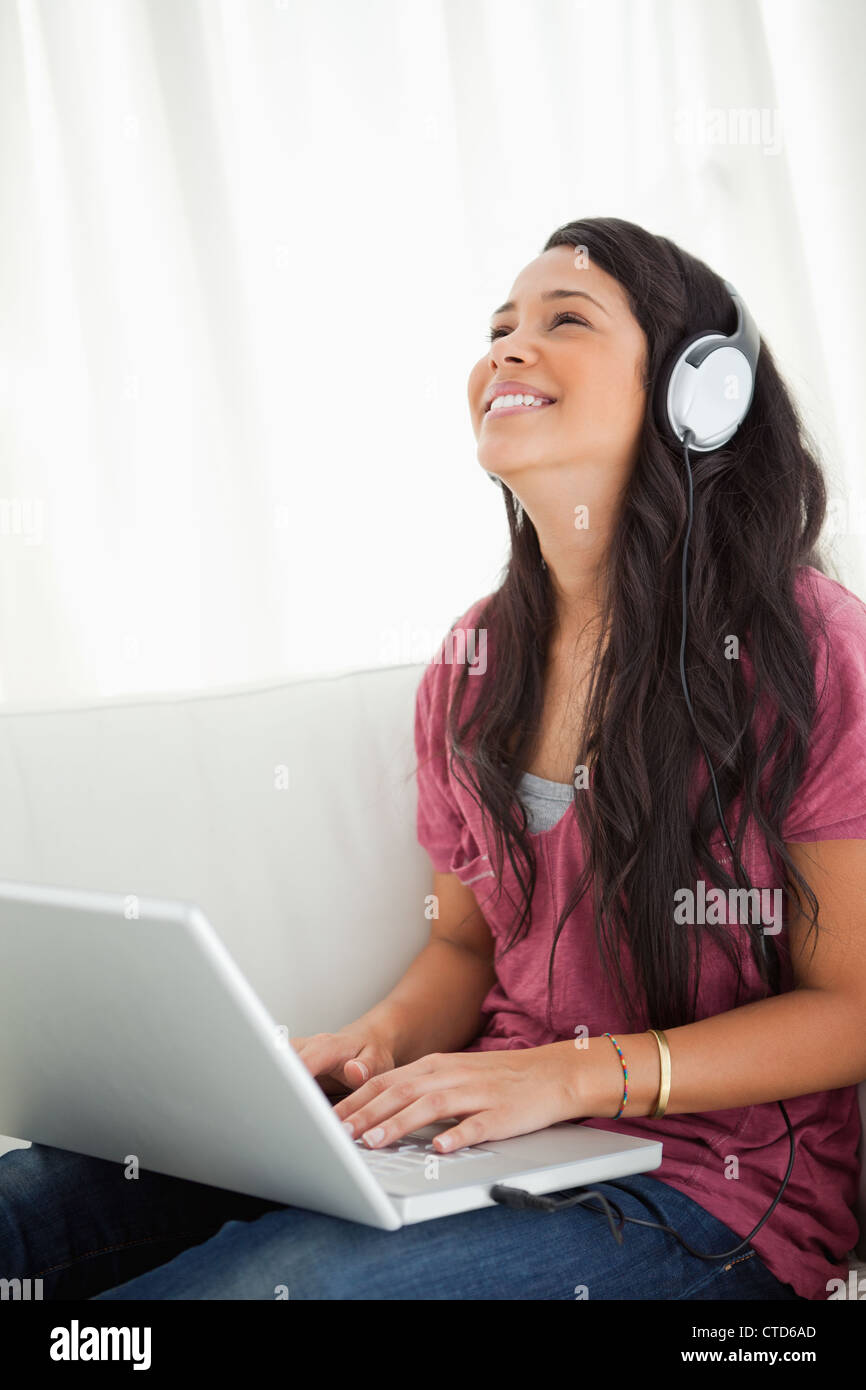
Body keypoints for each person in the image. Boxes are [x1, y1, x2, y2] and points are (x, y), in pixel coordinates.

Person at [2, 217, 863, 1301]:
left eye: (563, 321)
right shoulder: (474, 662)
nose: (505, 347)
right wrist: (367, 1050)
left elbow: (851, 1006)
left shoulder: (806, 649)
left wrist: (568, 1075)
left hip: (706, 1192)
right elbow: (462, 947)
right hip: (482, 1130)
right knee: (28, 1208)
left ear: (700, 391)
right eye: (497, 326)